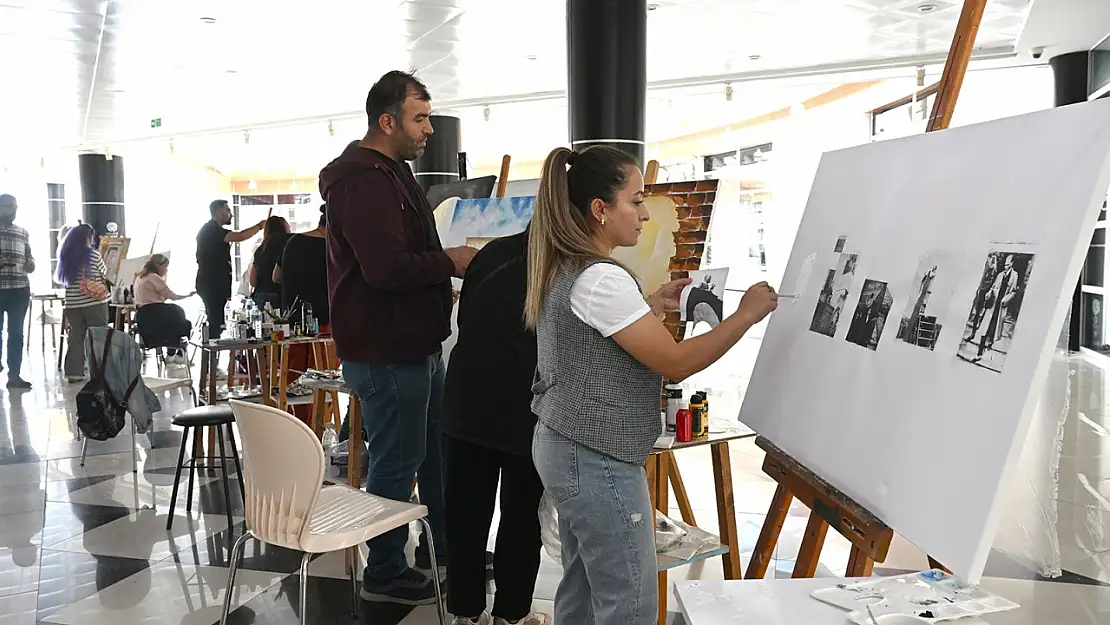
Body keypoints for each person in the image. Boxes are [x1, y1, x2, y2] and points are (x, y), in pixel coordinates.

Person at [525, 146, 778, 625]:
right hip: (593, 453)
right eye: (635, 201)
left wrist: (651, 304)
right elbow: (677, 362)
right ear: (600, 210)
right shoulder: (600, 278)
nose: (643, 214)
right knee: (630, 599)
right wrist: (746, 316)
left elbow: (593, 338)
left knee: (583, 585)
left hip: (568, 443)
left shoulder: (570, 265)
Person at [319, 69, 478, 605]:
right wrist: (448, 264)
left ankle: (442, 549)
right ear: (387, 122)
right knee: (397, 461)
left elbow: (395, 260)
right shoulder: (362, 180)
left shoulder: (389, 172)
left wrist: (437, 290)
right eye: (420, 118)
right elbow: (385, 269)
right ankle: (384, 570)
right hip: (388, 351)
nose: (429, 129)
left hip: (414, 343)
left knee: (428, 453)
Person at [442, 227, 548, 625]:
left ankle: (466, 614)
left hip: (467, 398)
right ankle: (511, 615)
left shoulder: (492, 254)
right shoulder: (569, 265)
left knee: (465, 516)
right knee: (521, 518)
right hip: (524, 404)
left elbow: (467, 319)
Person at [195, 200, 265, 336]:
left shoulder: (212, 230)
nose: (231, 215)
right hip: (211, 284)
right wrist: (260, 226)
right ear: (219, 212)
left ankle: (212, 352)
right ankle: (211, 354)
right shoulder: (211, 230)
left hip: (214, 283)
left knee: (217, 321)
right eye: (228, 211)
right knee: (215, 323)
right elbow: (240, 236)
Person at [57, 224, 112, 383]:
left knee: (76, 336)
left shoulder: (65, 255)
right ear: (88, 238)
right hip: (93, 301)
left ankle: (73, 373)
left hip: (72, 303)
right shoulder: (92, 255)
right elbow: (104, 273)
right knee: (99, 335)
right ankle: (102, 372)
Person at [133, 254, 194, 364]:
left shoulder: (139, 277)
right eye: (165, 267)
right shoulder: (153, 277)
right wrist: (187, 295)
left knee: (177, 316)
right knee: (181, 319)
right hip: (154, 313)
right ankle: (175, 353)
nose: (166, 270)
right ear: (159, 266)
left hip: (142, 315)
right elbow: (170, 295)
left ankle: (172, 354)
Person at [273, 206, 328, 327]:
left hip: (292, 316)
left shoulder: (293, 240)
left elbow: (276, 276)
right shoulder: (330, 247)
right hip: (323, 320)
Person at [0, 194, 34, 389]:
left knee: (16, 334)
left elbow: (30, 257)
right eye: (7, 206)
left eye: (14, 207)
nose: (12, 210)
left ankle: (14, 376)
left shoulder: (22, 232)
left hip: (20, 289)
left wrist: (30, 264)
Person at [249, 215, 290, 310]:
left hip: (261, 296)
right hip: (281, 295)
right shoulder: (288, 245)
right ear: (284, 228)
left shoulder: (260, 249)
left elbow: (252, 281)